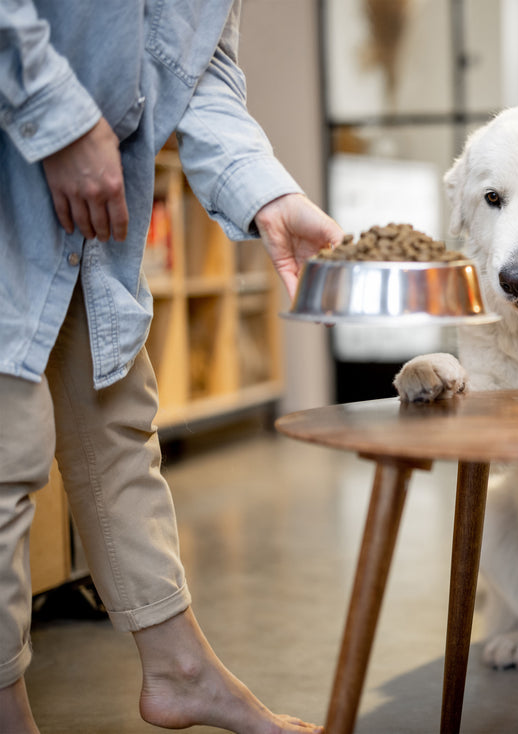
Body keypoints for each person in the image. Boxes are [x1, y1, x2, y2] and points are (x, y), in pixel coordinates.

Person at [0, 2, 344, 732]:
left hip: (86, 194)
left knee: (115, 420)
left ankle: (181, 671)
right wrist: (60, 122)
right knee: (5, 448)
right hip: (20, 144)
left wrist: (268, 190)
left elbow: (198, 67)